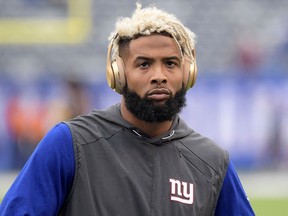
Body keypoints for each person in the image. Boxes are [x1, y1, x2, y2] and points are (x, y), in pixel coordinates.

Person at [0, 3, 255, 215]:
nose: (159, 76)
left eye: (170, 63)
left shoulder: (212, 162)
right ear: (118, 74)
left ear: (188, 73)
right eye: (144, 64)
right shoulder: (69, 143)